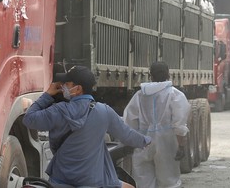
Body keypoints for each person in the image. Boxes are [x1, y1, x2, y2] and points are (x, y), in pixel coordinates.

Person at [23, 66, 151, 188]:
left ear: (78, 89)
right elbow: (126, 135)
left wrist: (47, 95)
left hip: (60, 179)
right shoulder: (104, 111)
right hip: (92, 182)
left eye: (67, 84)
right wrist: (146, 141)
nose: (63, 87)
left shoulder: (58, 111)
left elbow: (29, 119)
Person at [123, 61, 191, 188]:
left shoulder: (139, 95)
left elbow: (130, 120)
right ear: (168, 75)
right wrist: (181, 146)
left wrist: (132, 142)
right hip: (167, 141)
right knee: (169, 181)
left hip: (143, 141)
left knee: (143, 181)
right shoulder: (174, 94)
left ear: (151, 76)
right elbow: (179, 124)